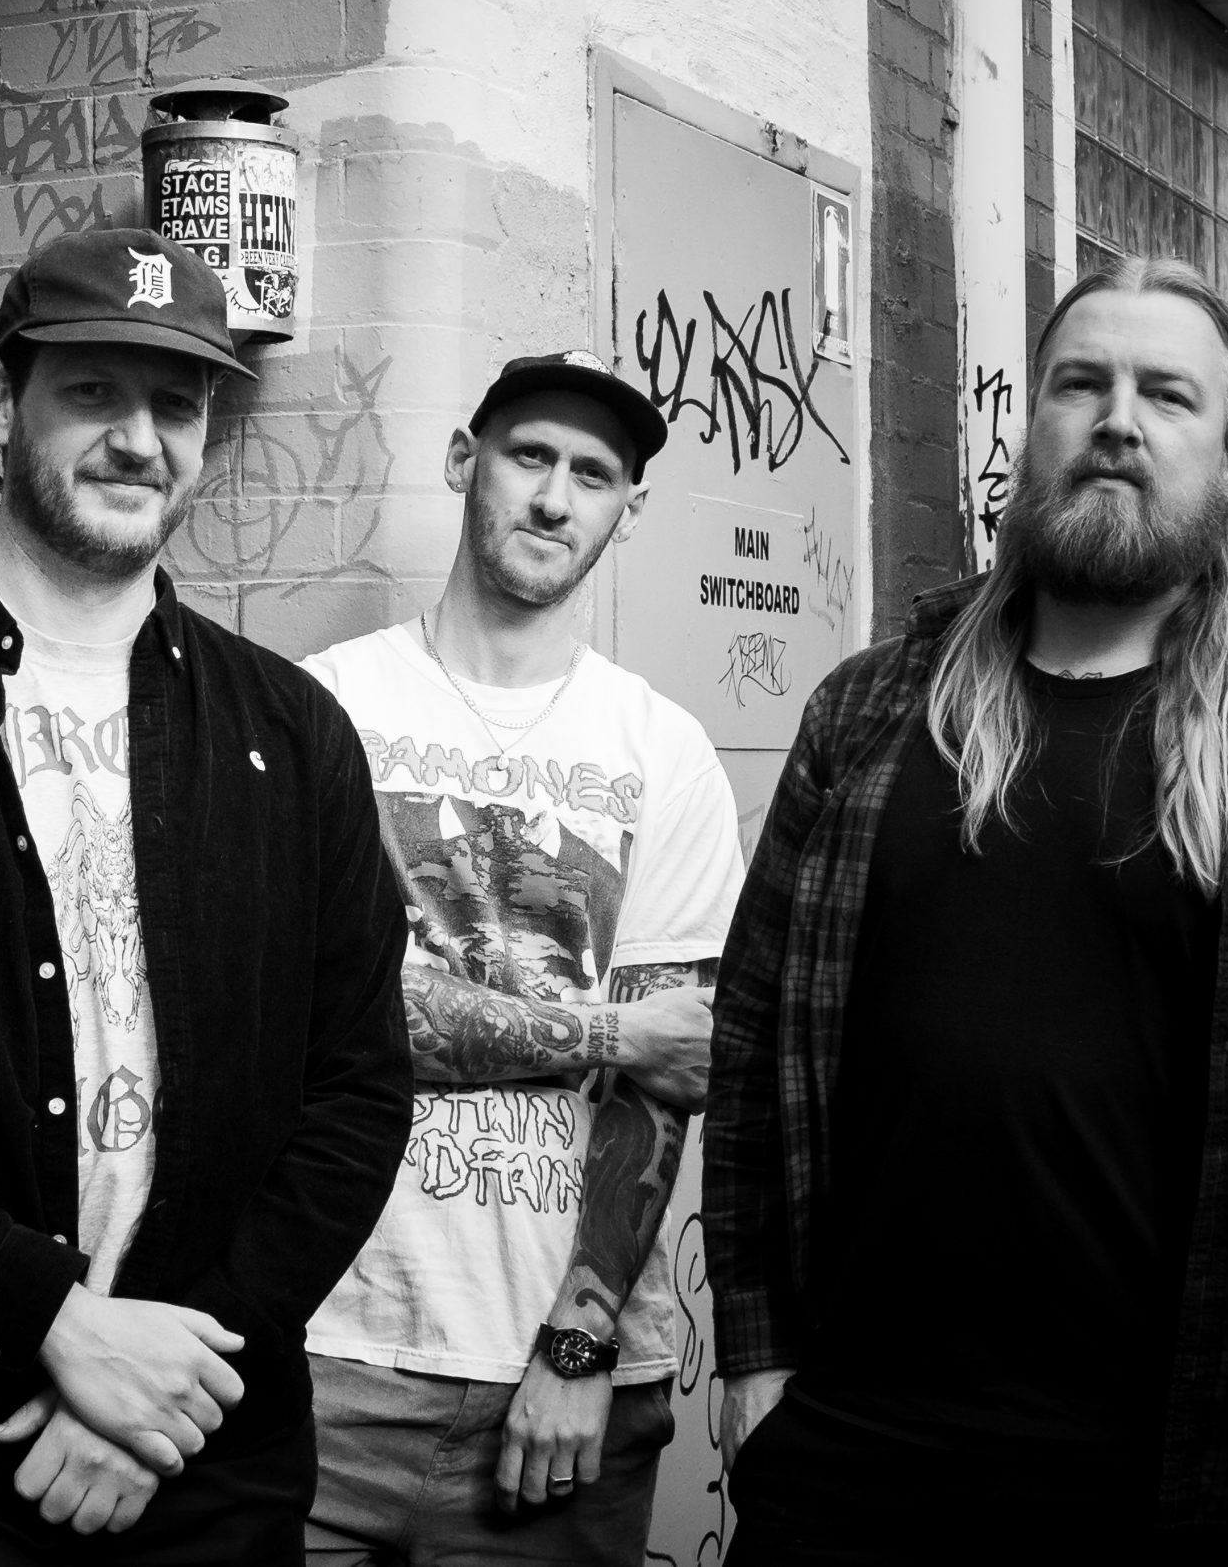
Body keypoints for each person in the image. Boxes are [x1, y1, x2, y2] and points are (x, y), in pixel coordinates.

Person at [705, 256, 1228, 1565]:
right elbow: (753, 1041)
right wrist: (757, 1352)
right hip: (843, 1450)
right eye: (1082, 383)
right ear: (1034, 422)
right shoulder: (869, 712)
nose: (1118, 419)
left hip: (1157, 1482)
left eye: (1166, 394)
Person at [0, 227, 415, 1563]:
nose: (138, 439)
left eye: (176, 403)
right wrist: (46, 1315)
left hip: (206, 1464)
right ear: (2, 393)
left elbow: (356, 1091)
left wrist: (171, 1385)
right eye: (93, 391)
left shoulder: (293, 732)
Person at [298, 352, 747, 1565]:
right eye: (529, 455)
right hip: (327, 1355)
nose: (553, 498)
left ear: (626, 511)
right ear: (465, 460)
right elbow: (325, 1014)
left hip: (568, 1383)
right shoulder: (320, 707)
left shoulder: (662, 751)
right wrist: (605, 1030)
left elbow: (670, 1075)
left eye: (591, 474)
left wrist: (578, 1341)